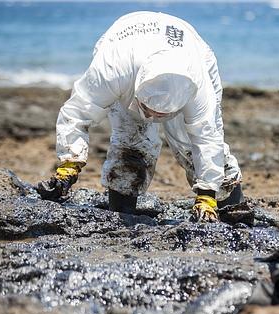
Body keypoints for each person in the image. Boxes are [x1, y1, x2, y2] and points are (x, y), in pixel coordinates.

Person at [36, 11, 243, 221]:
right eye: (149, 111)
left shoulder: (199, 87)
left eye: (162, 114)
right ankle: (121, 216)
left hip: (192, 48)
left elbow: (207, 139)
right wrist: (69, 164)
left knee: (191, 145)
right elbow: (77, 112)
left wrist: (207, 194)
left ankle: (231, 212)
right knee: (131, 143)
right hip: (124, 41)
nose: (153, 118)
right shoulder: (112, 70)